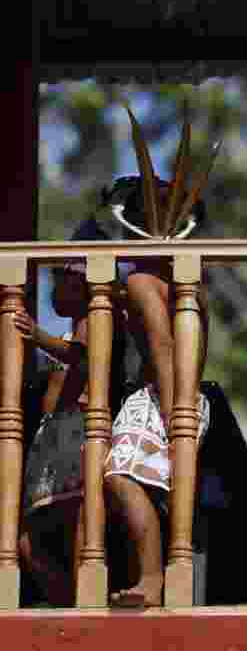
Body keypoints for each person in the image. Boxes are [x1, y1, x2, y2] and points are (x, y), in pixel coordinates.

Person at [96, 104, 220, 607]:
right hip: (179, 394)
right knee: (149, 487)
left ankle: (153, 579)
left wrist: (175, 413)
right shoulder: (189, 282)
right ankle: (160, 577)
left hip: (169, 395)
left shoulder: (147, 282)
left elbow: (168, 346)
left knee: (121, 477)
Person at [15, 259, 124, 606]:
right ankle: (66, 599)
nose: (52, 292)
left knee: (78, 519)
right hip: (54, 438)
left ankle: (81, 600)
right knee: (29, 538)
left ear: (82, 284)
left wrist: (38, 336)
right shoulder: (74, 327)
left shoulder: (95, 318)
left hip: (78, 431)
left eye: (60, 282)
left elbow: (81, 357)